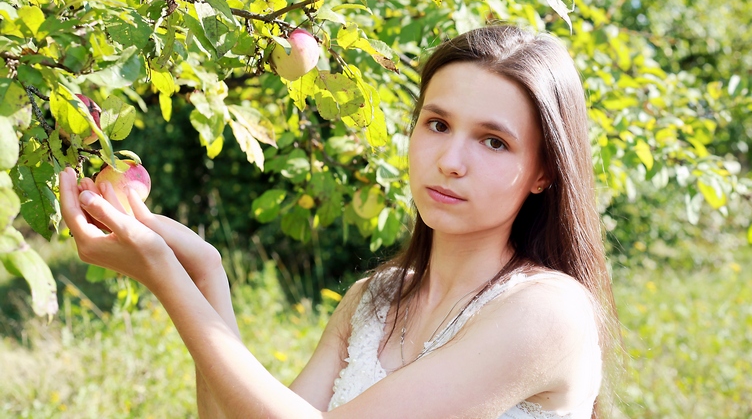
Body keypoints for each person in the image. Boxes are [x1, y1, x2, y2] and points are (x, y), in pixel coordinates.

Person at [59, 25, 619, 419]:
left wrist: (165, 276)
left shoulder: (547, 313)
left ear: (543, 171)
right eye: (437, 124)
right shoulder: (374, 300)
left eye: (494, 141)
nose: (451, 160)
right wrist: (206, 275)